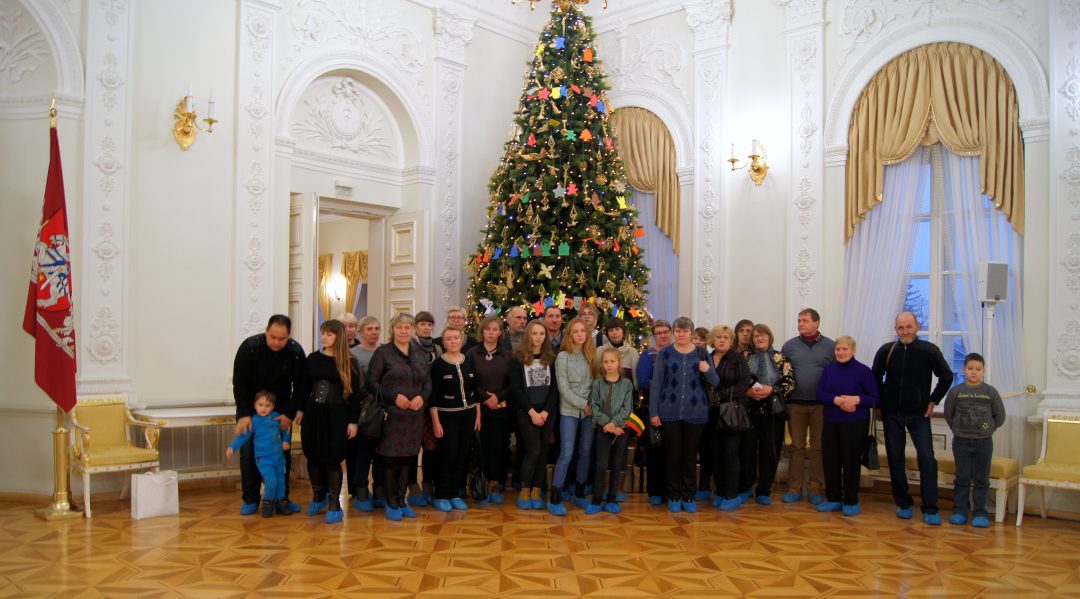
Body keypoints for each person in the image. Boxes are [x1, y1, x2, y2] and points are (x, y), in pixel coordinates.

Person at [871, 311, 953, 525]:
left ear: (917, 327)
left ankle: (930, 508)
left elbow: (946, 377)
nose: (905, 331)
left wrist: (933, 400)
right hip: (892, 415)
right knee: (895, 459)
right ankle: (904, 503)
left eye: (909, 327)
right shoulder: (886, 350)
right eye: (901, 328)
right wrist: (881, 404)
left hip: (919, 415)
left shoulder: (929, 350)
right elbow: (874, 377)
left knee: (927, 459)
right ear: (895, 330)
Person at [231, 314, 307, 515]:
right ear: (266, 331)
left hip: (281, 408)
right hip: (251, 407)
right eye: (273, 337)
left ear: (289, 336)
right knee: (249, 452)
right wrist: (245, 414)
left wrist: (289, 414)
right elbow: (239, 383)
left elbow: (301, 386)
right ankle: (250, 499)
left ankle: (282, 498)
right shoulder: (250, 347)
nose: (276, 342)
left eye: (282, 339)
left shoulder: (295, 352)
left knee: (282, 453)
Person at [650, 317, 720, 514]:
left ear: (691, 333)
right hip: (668, 412)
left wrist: (707, 370)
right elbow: (657, 383)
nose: (681, 334)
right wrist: (654, 412)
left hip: (696, 412)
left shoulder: (701, 353)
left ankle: (688, 495)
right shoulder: (665, 353)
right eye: (678, 331)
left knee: (689, 457)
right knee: (672, 456)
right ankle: (674, 495)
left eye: (685, 331)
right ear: (674, 333)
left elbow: (715, 381)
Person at [296, 319, 361, 524]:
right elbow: (304, 387)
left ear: (338, 337)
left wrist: (353, 422)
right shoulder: (313, 358)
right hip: (313, 412)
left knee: (333, 458)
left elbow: (356, 396)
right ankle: (318, 496)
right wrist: (300, 409)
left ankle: (334, 502)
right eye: (323, 333)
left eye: (329, 334)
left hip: (337, 414)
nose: (324, 337)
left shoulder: (349, 362)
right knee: (313, 455)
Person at [368, 313, 432, 521]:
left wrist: (422, 397)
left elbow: (428, 383)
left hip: (414, 416)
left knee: (408, 459)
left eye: (407, 327)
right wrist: (394, 397)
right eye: (399, 327)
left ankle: (402, 500)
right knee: (391, 460)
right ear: (393, 329)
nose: (403, 331)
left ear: (412, 329)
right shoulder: (383, 352)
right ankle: (391, 502)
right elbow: (372, 383)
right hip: (392, 415)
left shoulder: (419, 353)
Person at [815, 336, 878, 515]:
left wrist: (855, 399)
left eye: (845, 349)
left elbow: (875, 398)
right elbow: (820, 394)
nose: (841, 352)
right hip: (831, 422)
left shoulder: (863, 371)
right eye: (838, 349)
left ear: (853, 350)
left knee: (851, 461)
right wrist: (837, 400)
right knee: (830, 461)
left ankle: (851, 500)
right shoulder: (829, 370)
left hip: (855, 424)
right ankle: (833, 498)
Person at [944, 352, 1005, 528]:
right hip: (961, 442)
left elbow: (1000, 415)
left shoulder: (990, 392)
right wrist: (958, 430)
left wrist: (988, 430)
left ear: (983, 371)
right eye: (970, 368)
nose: (974, 372)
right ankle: (960, 510)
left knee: (981, 479)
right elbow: (949, 414)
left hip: (983, 442)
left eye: (978, 369)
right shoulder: (956, 391)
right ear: (964, 370)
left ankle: (980, 512)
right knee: (962, 477)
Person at [780, 308, 835, 505]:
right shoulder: (789, 346)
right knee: (797, 447)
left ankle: (815, 487)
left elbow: (836, 373)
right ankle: (794, 486)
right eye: (799, 320)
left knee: (817, 448)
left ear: (816, 323)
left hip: (821, 406)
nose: (800, 324)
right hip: (795, 405)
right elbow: (783, 374)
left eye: (804, 320)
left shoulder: (831, 346)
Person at [549, 317, 600, 515]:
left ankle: (579, 492)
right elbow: (563, 389)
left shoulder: (592, 355)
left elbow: (596, 384)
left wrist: (592, 405)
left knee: (585, 451)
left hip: (589, 412)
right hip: (569, 411)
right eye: (575, 331)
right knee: (567, 452)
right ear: (569, 335)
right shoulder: (563, 357)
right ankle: (555, 498)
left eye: (582, 331)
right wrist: (583, 405)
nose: (580, 334)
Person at [428, 327, 481, 512]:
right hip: (446, 415)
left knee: (462, 455)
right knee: (448, 455)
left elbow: (475, 390)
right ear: (443, 342)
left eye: (456, 338)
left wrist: (478, 415)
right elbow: (433, 396)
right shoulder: (438, 365)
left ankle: (455, 493)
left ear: (462, 339)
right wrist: (436, 422)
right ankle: (442, 494)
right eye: (448, 339)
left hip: (468, 415)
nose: (453, 341)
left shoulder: (468, 361)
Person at [742, 323, 795, 506]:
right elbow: (737, 380)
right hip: (748, 412)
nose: (759, 338)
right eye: (756, 336)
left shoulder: (781, 358)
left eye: (763, 335)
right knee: (747, 452)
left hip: (773, 413)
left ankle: (764, 490)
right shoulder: (744, 356)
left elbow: (790, 383)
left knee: (770, 453)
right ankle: (746, 486)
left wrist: (772, 389)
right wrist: (748, 392)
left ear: (769, 337)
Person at [510, 320, 559, 510]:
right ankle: (525, 489)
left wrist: (545, 411)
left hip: (547, 412)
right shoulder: (517, 358)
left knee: (544, 451)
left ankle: (537, 490)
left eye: (541, 333)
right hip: (526, 412)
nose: (538, 337)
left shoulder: (551, 358)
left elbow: (555, 389)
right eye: (534, 333)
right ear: (528, 335)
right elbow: (516, 389)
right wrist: (532, 412)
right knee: (533, 451)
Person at [467, 316, 514, 504]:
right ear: (482, 331)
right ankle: (482, 485)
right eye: (488, 329)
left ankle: (496, 484)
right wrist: (485, 397)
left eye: (495, 329)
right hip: (479, 410)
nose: (491, 332)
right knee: (482, 447)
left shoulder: (508, 355)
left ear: (500, 333)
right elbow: (469, 380)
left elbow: (513, 383)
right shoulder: (472, 353)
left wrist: (498, 397)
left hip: (501, 409)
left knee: (499, 447)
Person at [226, 390, 292, 518]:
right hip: (264, 458)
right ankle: (268, 503)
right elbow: (243, 436)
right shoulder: (254, 421)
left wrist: (285, 440)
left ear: (273, 406)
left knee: (281, 480)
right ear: (254, 405)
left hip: (278, 457)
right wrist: (232, 447)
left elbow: (286, 429)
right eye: (260, 405)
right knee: (271, 480)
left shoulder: (277, 417)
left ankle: (281, 502)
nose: (263, 408)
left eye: (267, 405)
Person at [707, 325, 752, 511]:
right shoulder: (707, 358)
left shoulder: (737, 358)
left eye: (726, 337)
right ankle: (720, 492)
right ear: (713, 340)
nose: (722, 340)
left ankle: (732, 495)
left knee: (730, 453)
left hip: (732, 411)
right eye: (719, 337)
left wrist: (721, 395)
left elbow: (744, 383)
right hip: (711, 412)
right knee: (715, 453)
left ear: (731, 341)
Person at [585, 347, 634, 514]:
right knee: (601, 463)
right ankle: (597, 499)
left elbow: (627, 408)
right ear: (602, 364)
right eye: (606, 362)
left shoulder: (627, 384)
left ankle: (612, 498)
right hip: (603, 429)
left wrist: (615, 424)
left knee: (616, 463)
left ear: (619, 363)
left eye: (612, 361)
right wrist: (607, 424)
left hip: (621, 430)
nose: (609, 365)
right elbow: (594, 407)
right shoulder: (597, 383)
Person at [636, 320, 672, 505]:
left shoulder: (677, 352)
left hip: (675, 409)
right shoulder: (647, 355)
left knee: (673, 451)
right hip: (654, 406)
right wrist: (664, 388)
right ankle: (655, 491)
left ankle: (672, 490)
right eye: (659, 333)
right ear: (653, 335)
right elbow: (642, 381)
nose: (663, 335)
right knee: (655, 450)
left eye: (666, 331)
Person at [348, 315, 382, 511]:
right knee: (364, 453)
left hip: (384, 408)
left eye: (377, 328)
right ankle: (360, 490)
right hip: (364, 409)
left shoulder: (385, 350)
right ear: (361, 332)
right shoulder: (353, 354)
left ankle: (379, 491)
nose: (374, 332)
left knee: (381, 454)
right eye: (369, 329)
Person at [408, 310, 440, 506]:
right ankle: (412, 486)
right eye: (422, 324)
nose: (426, 328)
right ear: (415, 326)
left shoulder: (437, 348)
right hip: (413, 403)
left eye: (429, 324)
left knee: (431, 447)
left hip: (431, 404)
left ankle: (428, 483)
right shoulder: (409, 346)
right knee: (412, 448)